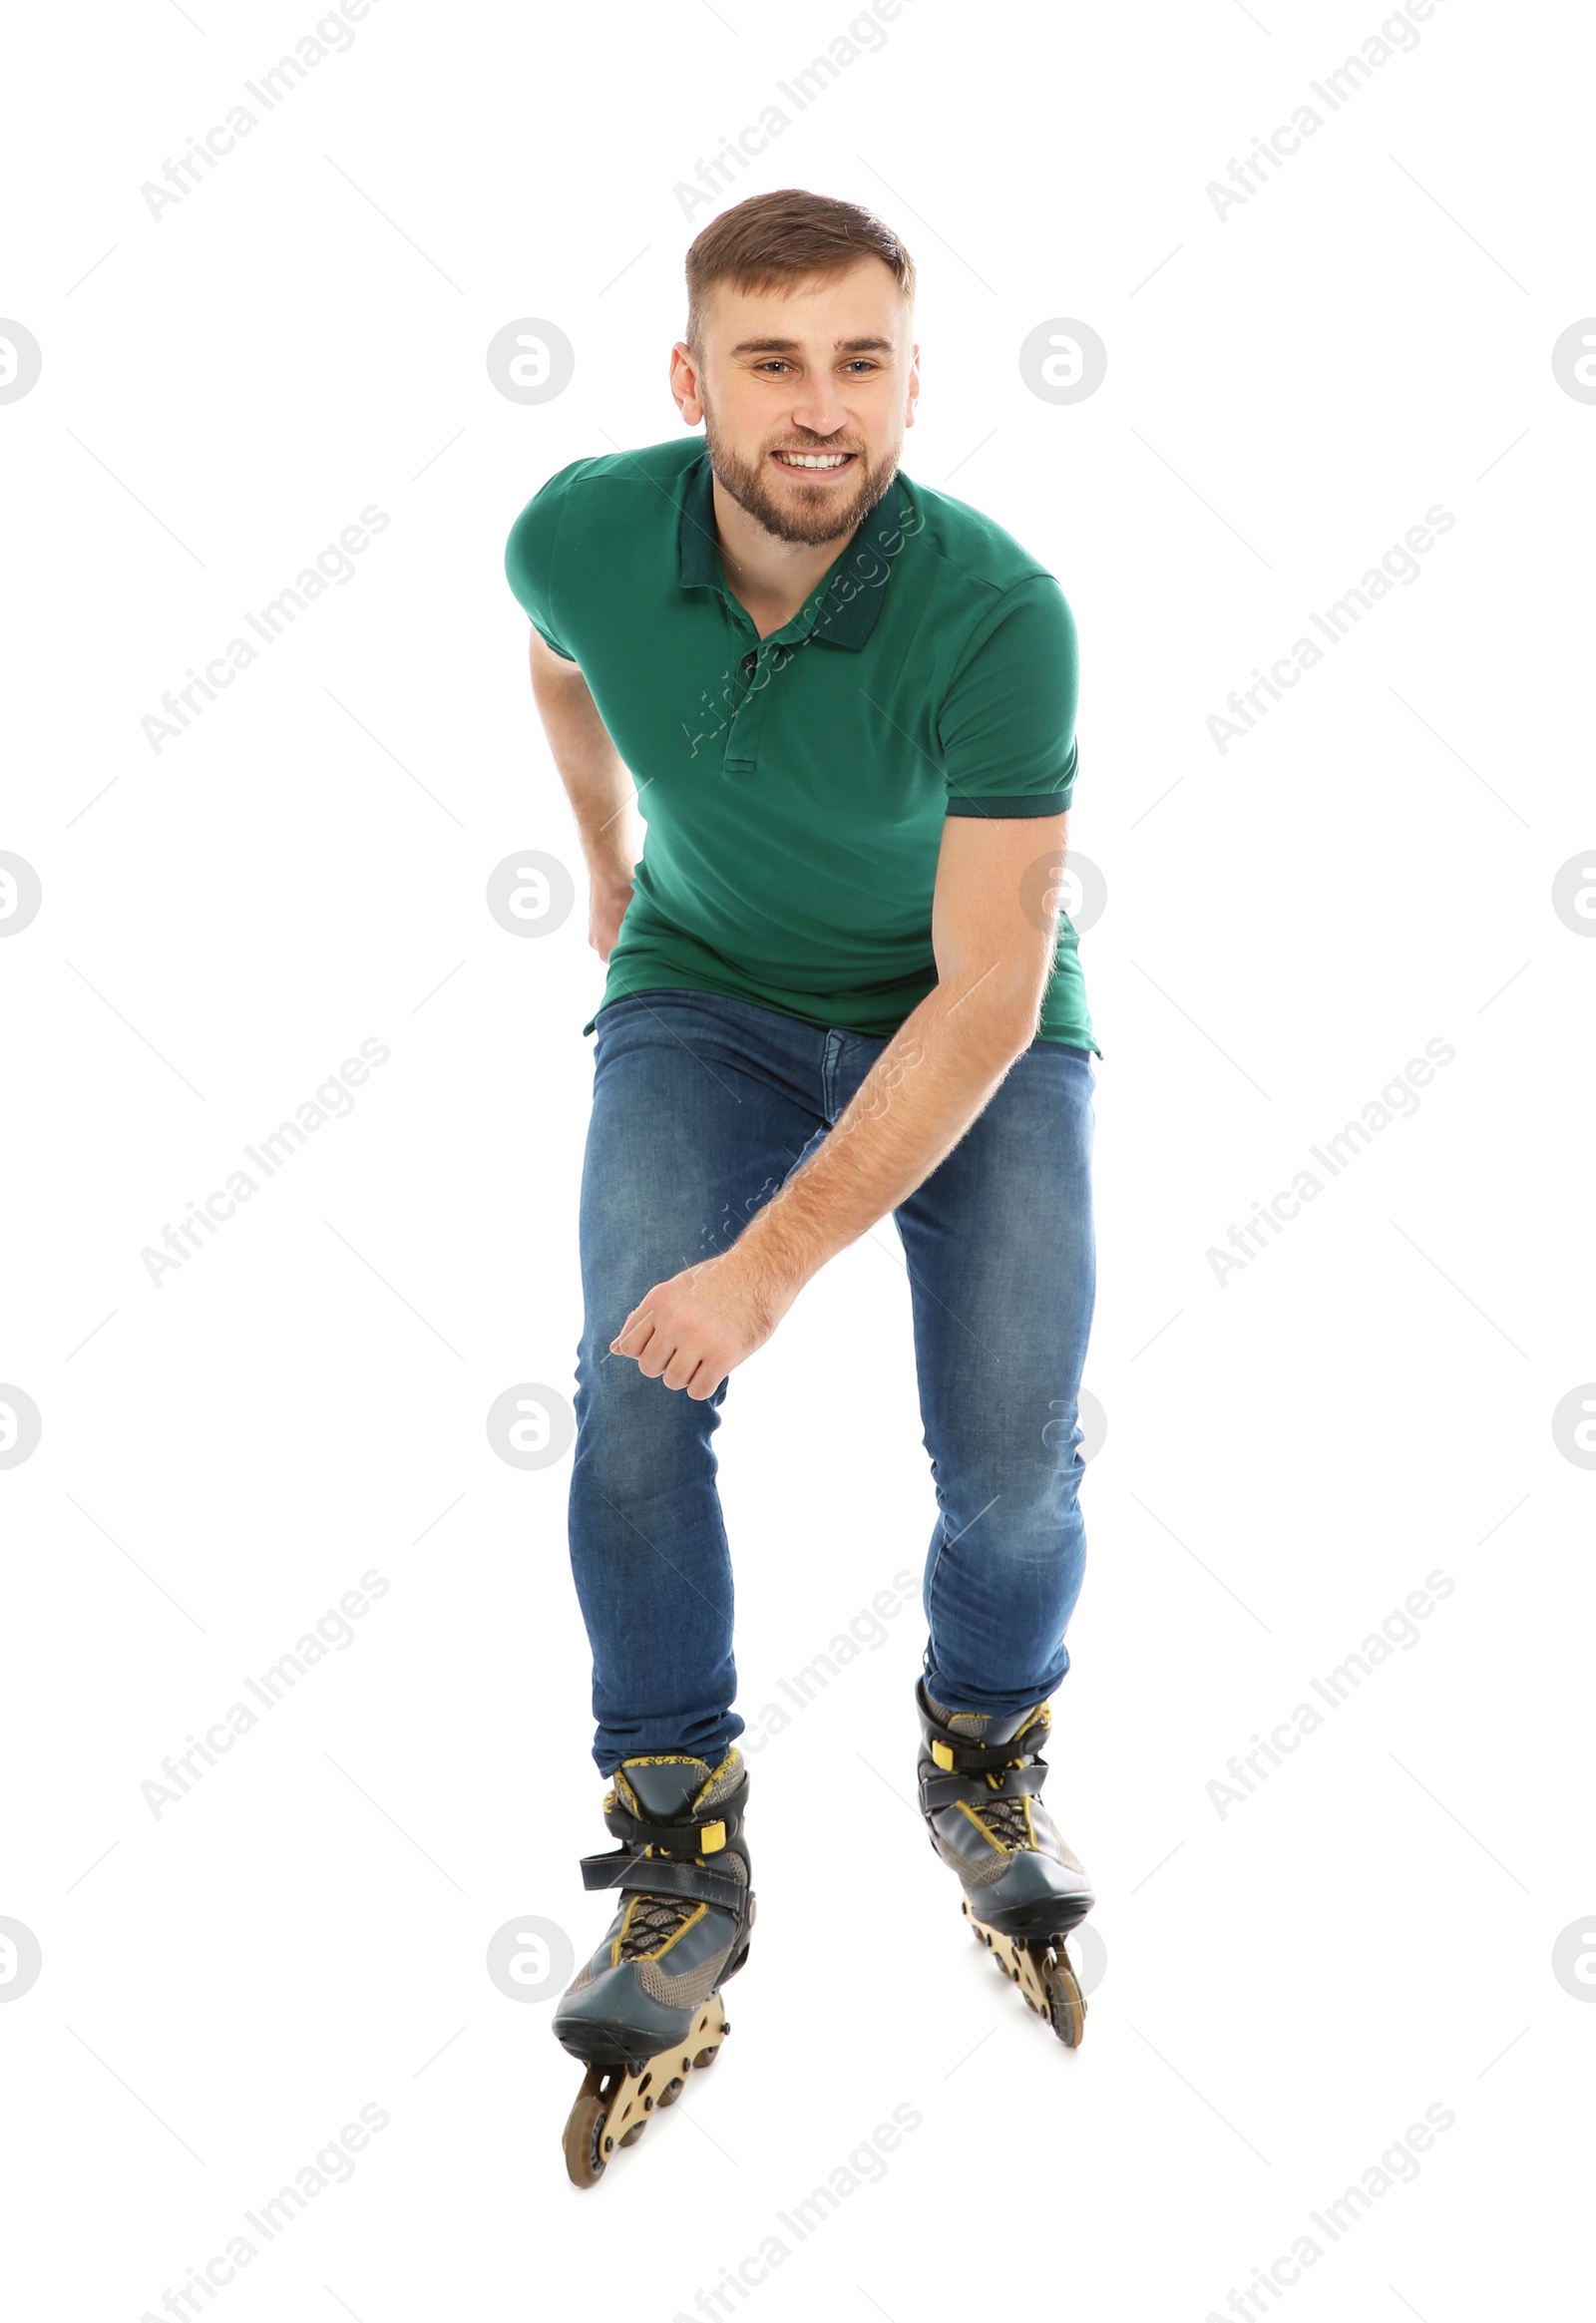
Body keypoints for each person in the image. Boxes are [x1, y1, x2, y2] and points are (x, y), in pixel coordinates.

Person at [504, 187, 1099, 2185]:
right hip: (706, 995)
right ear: (692, 384)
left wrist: (767, 1261)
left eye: (860, 362)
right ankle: (679, 1846)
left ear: (912, 385)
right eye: (770, 362)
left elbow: (991, 986)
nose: (816, 408)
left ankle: (983, 1748)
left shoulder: (998, 613)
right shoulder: (581, 528)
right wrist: (603, 860)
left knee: (1012, 1460)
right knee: (625, 1405)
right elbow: (558, 663)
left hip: (963, 1019)